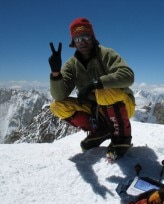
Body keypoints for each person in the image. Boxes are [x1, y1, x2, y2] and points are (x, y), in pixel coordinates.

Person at [48, 17, 135, 161]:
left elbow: (128, 76)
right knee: (57, 106)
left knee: (103, 92)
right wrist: (56, 73)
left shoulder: (106, 54)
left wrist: (96, 84)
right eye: (78, 38)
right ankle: (100, 130)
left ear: (92, 37)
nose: (82, 41)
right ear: (73, 42)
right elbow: (59, 95)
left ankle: (121, 139)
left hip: (122, 105)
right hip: (96, 110)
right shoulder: (71, 65)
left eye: (86, 36)